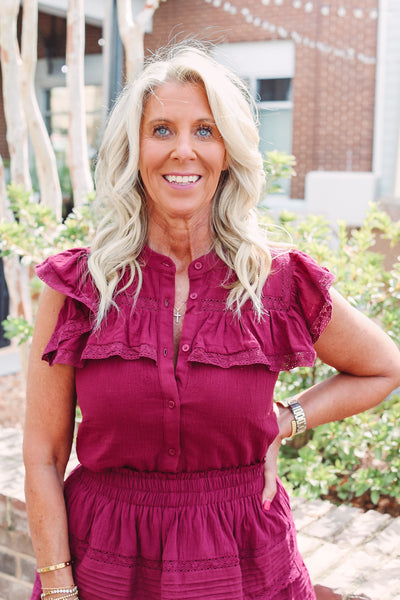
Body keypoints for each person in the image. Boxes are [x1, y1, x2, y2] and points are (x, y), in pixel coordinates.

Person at [24, 44, 400, 600]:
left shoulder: (276, 280)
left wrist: (285, 419)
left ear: (228, 151)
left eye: (205, 130)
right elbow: (44, 453)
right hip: (105, 565)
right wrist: (58, 586)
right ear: (135, 148)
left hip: (246, 566)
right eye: (162, 130)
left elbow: (383, 368)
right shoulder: (80, 288)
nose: (184, 151)